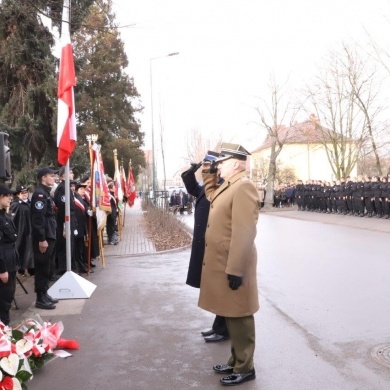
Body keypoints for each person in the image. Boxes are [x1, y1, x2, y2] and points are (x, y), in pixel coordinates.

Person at [199, 142, 260, 386]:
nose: (218, 167)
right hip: (224, 261)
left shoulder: (243, 187)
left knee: (240, 315)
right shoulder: (229, 186)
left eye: (221, 163)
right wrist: (208, 169)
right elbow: (210, 194)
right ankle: (236, 361)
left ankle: (246, 367)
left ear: (235, 163)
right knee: (231, 314)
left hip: (234, 263)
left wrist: (235, 269)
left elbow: (244, 233)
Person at [181, 151, 229, 343]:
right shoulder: (207, 187)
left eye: (209, 168)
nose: (205, 172)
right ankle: (218, 326)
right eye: (204, 168)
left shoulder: (222, 187)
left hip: (214, 244)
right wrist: (189, 173)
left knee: (220, 288)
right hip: (204, 244)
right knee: (214, 288)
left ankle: (224, 329)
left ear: (217, 169)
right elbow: (192, 188)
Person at [30, 167, 59, 310]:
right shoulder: (39, 195)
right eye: (51, 175)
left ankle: (45, 293)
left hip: (49, 233)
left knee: (47, 266)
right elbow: (38, 219)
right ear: (43, 178)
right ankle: (40, 298)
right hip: (44, 236)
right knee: (42, 267)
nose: (54, 178)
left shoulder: (46, 193)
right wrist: (42, 239)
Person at [0, 185, 19, 325]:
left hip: (11, 261)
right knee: (4, 301)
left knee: (9, 297)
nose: (10, 199)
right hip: (4, 264)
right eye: (7, 196)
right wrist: (2, 269)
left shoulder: (5, 215)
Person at [54, 166, 77, 275]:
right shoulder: (63, 188)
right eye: (70, 172)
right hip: (65, 221)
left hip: (69, 219)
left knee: (70, 246)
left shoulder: (66, 186)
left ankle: (69, 269)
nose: (73, 174)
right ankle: (64, 271)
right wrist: (64, 225)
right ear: (63, 175)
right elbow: (64, 207)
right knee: (65, 246)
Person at [10, 185, 34, 277]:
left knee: (30, 250)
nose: (25, 194)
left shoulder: (30, 203)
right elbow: (13, 219)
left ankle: (32, 269)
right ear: (18, 195)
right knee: (21, 249)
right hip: (21, 231)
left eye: (26, 192)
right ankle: (21, 270)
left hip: (30, 230)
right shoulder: (16, 205)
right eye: (22, 193)